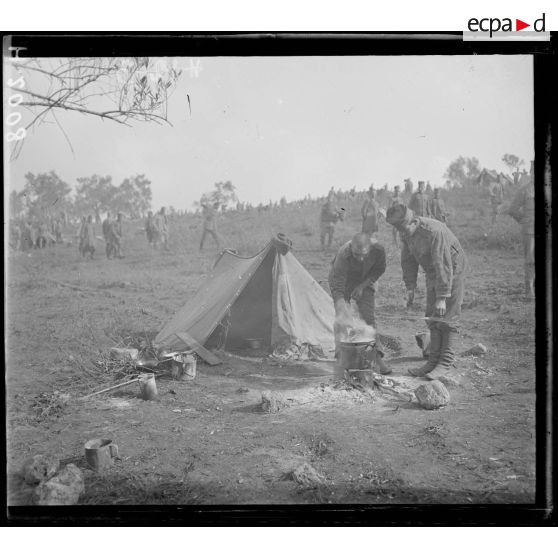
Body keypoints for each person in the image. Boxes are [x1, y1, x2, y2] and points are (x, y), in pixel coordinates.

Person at [386, 204, 467, 379]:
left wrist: (442, 297)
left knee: (448, 316)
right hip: (432, 271)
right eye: (398, 229)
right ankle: (432, 362)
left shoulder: (433, 232)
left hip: (452, 268)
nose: (402, 232)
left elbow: (443, 265)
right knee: (432, 315)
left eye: (404, 228)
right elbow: (407, 260)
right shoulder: (405, 232)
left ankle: (445, 363)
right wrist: (410, 287)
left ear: (414, 221)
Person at [328, 233, 391, 374]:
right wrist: (342, 305)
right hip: (342, 282)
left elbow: (379, 269)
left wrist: (362, 286)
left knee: (368, 318)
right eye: (356, 255)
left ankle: (376, 357)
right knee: (342, 319)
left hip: (365, 280)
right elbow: (338, 285)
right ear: (351, 247)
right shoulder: (343, 255)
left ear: (370, 248)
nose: (360, 258)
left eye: (364, 254)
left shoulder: (378, 250)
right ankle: (342, 357)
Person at [508, 160, 535, 300]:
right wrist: (523, 220)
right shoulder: (525, 190)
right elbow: (512, 209)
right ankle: (529, 290)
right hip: (530, 230)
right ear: (531, 173)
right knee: (530, 260)